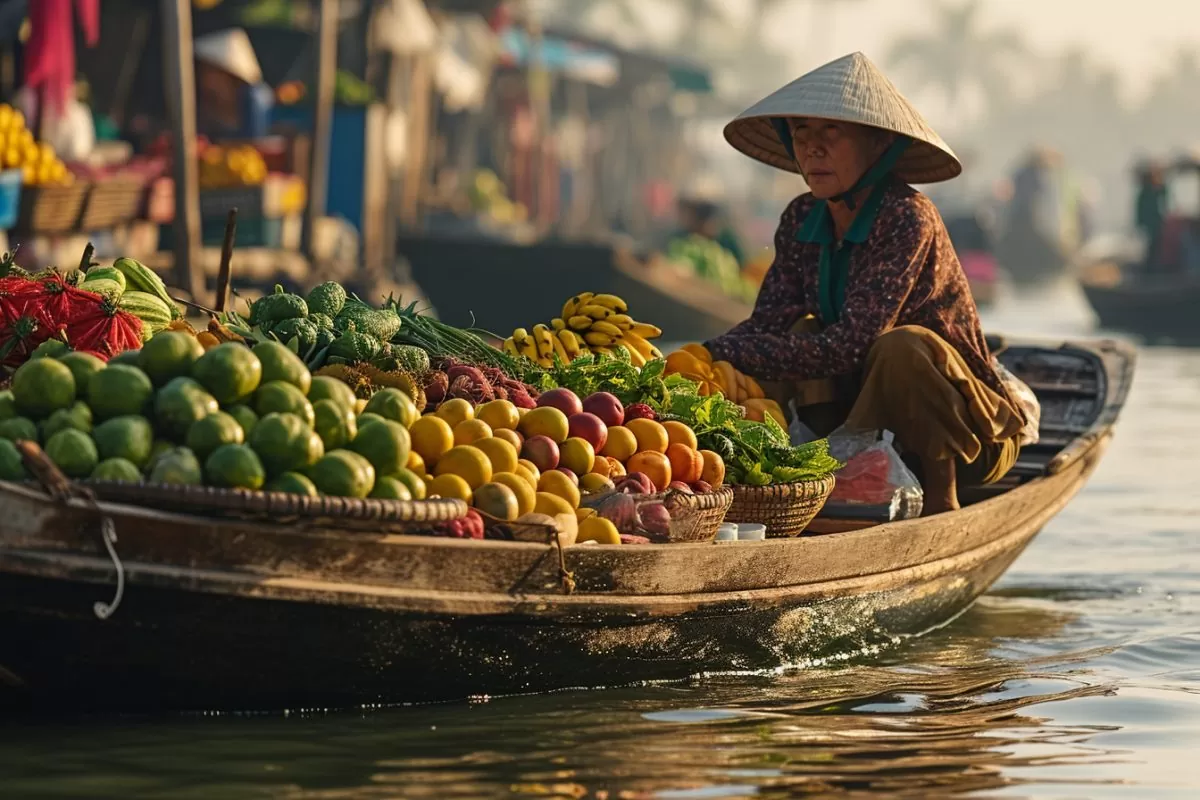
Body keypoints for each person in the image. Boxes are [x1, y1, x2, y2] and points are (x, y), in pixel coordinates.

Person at [705, 52, 1028, 515]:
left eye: (831, 133)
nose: (812, 149)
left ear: (879, 146)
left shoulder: (906, 216)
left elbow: (853, 346)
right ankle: (812, 478)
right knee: (798, 334)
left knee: (905, 346)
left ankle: (942, 500)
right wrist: (704, 355)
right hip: (862, 423)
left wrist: (728, 351)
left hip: (971, 440)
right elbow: (766, 325)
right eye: (801, 133)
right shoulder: (802, 217)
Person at [1134, 160, 1168, 271]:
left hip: (1157, 228)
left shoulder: (1158, 191)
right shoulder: (1146, 193)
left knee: (1155, 251)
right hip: (1150, 229)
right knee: (1151, 252)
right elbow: (1142, 215)